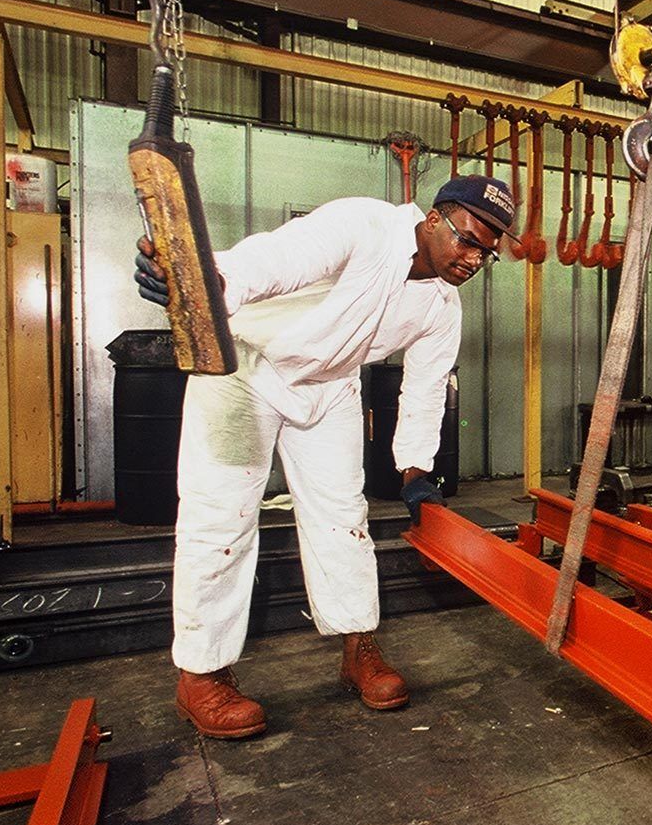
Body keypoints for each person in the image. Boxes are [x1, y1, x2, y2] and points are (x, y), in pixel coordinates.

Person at [134, 175, 514, 739]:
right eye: (467, 239)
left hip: (332, 387)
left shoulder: (441, 305)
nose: (473, 258)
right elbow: (280, 259)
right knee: (219, 520)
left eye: (487, 252)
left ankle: (357, 647)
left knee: (343, 518)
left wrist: (416, 471)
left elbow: (428, 385)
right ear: (433, 218)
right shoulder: (364, 225)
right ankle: (202, 674)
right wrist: (209, 280)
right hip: (247, 370)